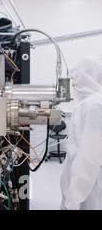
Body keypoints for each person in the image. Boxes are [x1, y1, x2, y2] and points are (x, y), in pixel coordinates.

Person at [60, 56, 102, 210]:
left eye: (75, 80)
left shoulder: (91, 106)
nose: (74, 85)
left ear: (83, 77)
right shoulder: (95, 102)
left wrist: (73, 200)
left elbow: (88, 158)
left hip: (89, 195)